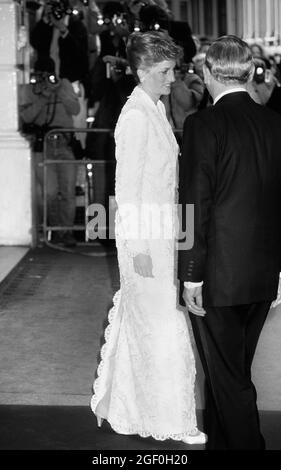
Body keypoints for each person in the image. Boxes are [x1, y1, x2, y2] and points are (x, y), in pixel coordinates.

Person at [91, 31, 206, 445]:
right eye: (164, 70)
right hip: (143, 239)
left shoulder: (153, 108)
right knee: (160, 327)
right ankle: (171, 421)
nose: (173, 77)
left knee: (149, 324)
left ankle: (125, 408)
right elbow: (127, 189)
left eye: (173, 68)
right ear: (141, 72)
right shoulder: (136, 116)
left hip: (162, 232)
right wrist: (138, 248)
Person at [178, 35, 281, 450]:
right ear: (247, 71)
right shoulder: (276, 123)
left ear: (207, 73)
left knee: (230, 379)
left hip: (217, 276)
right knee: (229, 373)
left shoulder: (202, 125)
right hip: (261, 275)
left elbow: (193, 205)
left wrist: (190, 275)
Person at [19, 56, 80, 247]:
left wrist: (60, 90)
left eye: (50, 75)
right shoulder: (30, 90)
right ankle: (55, 230)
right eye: (43, 75)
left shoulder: (65, 85)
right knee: (51, 192)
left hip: (65, 144)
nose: (48, 78)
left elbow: (75, 109)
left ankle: (67, 232)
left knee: (68, 191)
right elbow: (26, 117)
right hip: (43, 146)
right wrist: (43, 95)